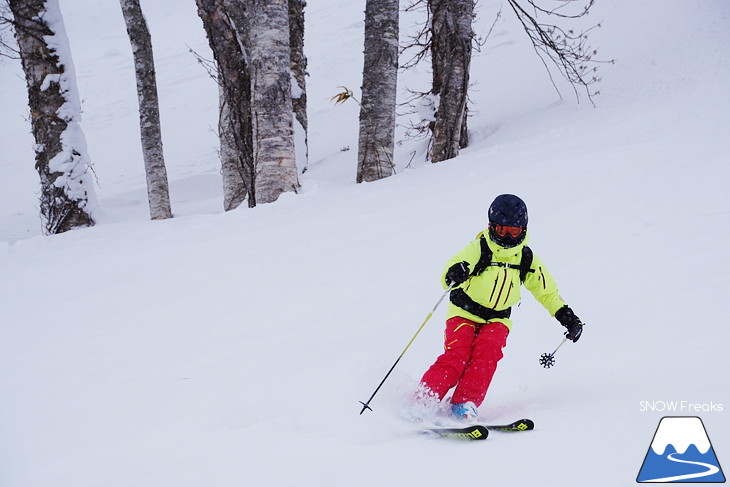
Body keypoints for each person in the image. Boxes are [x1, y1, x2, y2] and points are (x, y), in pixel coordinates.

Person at [417, 194, 584, 421]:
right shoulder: (480, 248)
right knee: (458, 355)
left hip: (497, 319)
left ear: (523, 230)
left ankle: (464, 403)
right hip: (463, 312)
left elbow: (546, 291)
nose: (507, 236)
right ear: (491, 226)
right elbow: (449, 271)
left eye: (514, 231)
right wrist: (455, 273)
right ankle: (424, 400)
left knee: (488, 354)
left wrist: (567, 316)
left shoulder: (525, 258)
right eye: (502, 230)